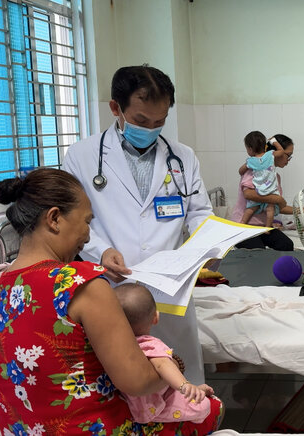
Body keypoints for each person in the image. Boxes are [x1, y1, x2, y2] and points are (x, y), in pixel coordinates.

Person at [0, 168, 223, 435]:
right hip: (90, 430)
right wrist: (173, 364)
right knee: (210, 407)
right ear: (54, 218)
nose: (88, 236)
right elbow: (137, 381)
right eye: (87, 221)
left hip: (19, 430)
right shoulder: (80, 283)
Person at [63, 65, 212, 384]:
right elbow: (72, 220)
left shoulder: (183, 157)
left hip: (169, 291)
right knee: (117, 383)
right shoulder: (81, 156)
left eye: (159, 122)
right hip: (111, 286)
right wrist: (101, 252)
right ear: (115, 108)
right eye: (141, 121)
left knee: (181, 388)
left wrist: (208, 247)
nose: (151, 129)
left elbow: (200, 213)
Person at [115, 283, 223, 428]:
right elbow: (163, 364)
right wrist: (184, 385)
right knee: (204, 406)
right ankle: (194, 404)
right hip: (154, 406)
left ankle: (194, 391)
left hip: (128, 400)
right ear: (156, 317)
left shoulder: (113, 344)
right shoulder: (151, 345)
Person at [231, 133, 295, 251]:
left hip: (262, 227)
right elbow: (248, 194)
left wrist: (301, 210)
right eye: (288, 155)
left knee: (286, 245)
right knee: (258, 252)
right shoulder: (254, 169)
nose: (289, 160)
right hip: (245, 225)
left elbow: (278, 206)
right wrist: (278, 199)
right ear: (275, 153)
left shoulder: (275, 177)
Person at [237, 131, 284, 226]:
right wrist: (274, 141)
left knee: (250, 209)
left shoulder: (251, 161)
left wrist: (245, 169)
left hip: (259, 190)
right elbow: (281, 151)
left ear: (250, 149)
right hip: (270, 190)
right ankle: (268, 227)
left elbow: (240, 171)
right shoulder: (270, 155)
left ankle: (242, 223)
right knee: (270, 210)